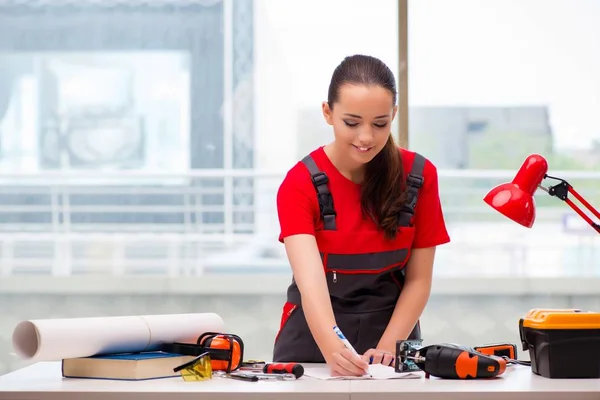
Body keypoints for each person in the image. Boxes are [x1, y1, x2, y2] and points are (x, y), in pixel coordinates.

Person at [272, 54, 450, 377]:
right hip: (313, 345)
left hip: (394, 341)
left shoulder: (420, 176)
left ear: (394, 114)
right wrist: (333, 348)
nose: (366, 137)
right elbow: (311, 282)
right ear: (328, 113)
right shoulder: (299, 184)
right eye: (352, 123)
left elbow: (419, 280)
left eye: (380, 123)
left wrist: (387, 349)